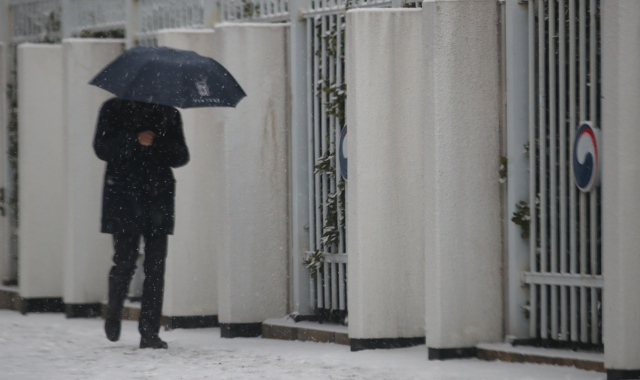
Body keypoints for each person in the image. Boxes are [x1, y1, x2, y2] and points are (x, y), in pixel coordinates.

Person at [93, 98, 190, 349]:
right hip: (123, 195)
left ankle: (149, 332)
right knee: (124, 261)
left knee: (156, 268)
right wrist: (133, 138)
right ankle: (114, 313)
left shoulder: (169, 112)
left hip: (158, 196)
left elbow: (181, 156)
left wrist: (156, 142)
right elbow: (102, 148)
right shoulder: (113, 108)